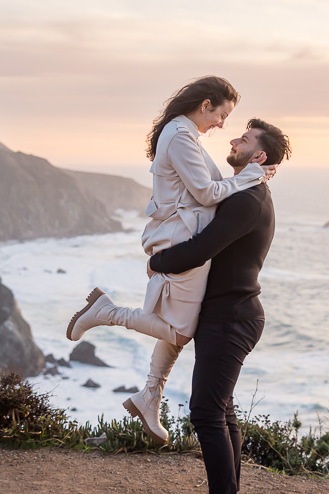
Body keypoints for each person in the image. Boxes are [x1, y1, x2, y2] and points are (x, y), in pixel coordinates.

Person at [66, 76, 274, 444]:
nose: (223, 125)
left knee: (181, 325)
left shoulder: (185, 136)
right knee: (180, 330)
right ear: (205, 105)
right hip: (180, 237)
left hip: (184, 233)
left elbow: (208, 192)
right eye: (222, 115)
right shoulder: (180, 136)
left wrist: (249, 178)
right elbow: (208, 194)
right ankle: (105, 311)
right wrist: (252, 176)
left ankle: (150, 396)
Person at [150, 118, 291, 494]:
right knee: (222, 410)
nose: (233, 140)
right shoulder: (245, 193)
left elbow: (203, 248)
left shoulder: (248, 199)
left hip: (232, 318)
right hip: (228, 314)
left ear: (259, 157)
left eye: (244, 139)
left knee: (206, 412)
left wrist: (157, 262)